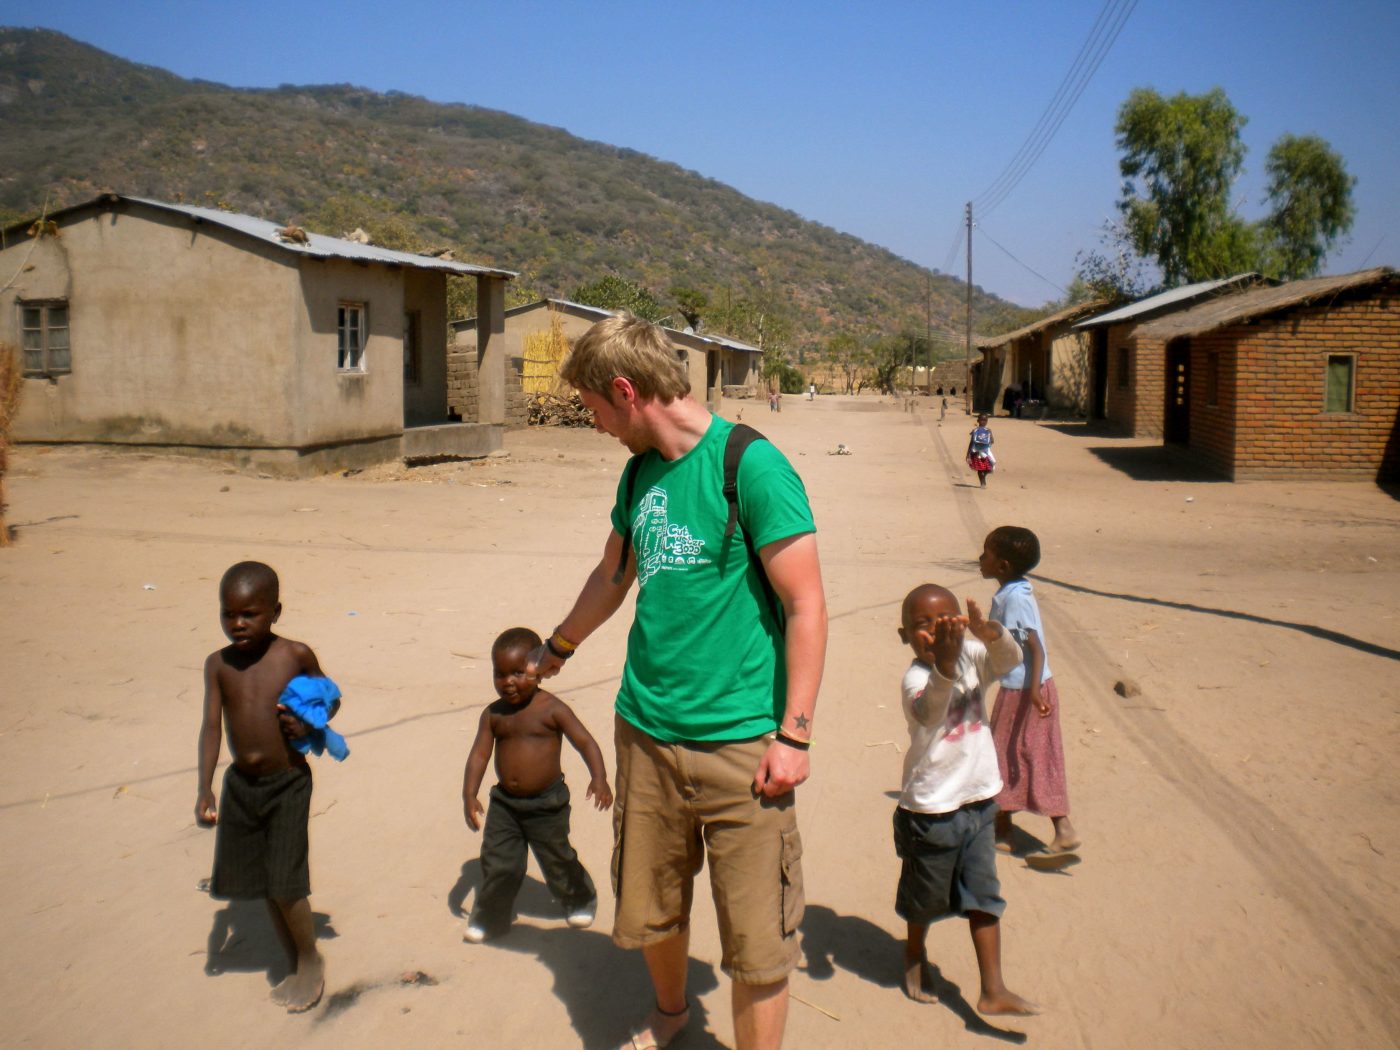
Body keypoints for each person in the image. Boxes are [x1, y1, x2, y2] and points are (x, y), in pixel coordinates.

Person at [528, 313, 827, 1050]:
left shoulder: (751, 466)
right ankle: (670, 1016)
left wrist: (794, 735)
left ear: (626, 391)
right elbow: (612, 573)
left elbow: (807, 603)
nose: (597, 427)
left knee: (758, 939)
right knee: (651, 902)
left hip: (742, 748)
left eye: (596, 411)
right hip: (647, 734)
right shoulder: (639, 474)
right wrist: (558, 645)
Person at [195, 561, 338, 1013]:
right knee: (262, 881)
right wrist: (205, 789)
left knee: (286, 878)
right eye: (228, 613)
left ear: (275, 611)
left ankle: (311, 959)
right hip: (242, 785)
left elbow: (330, 695)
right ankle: (293, 959)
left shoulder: (293, 655)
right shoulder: (218, 665)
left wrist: (309, 720)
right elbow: (211, 728)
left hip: (288, 781)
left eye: (249, 614)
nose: (237, 623)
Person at [893, 584, 1036, 1015]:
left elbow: (1011, 662)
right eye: (922, 625)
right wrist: (946, 665)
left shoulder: (974, 653)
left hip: (978, 801)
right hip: (931, 810)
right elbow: (930, 712)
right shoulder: (915, 679)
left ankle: (992, 989)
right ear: (905, 635)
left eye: (946, 622)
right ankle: (914, 953)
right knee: (926, 896)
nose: (936, 631)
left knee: (984, 894)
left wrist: (990, 632)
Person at [461, 627, 612, 943]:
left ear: (539, 672)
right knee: (500, 863)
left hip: (547, 804)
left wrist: (599, 778)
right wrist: (469, 793)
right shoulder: (494, 714)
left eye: (518, 672)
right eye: (500, 674)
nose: (509, 682)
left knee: (557, 858)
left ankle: (580, 897)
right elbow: (479, 754)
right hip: (505, 805)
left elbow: (585, 742)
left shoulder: (551, 709)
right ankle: (492, 917)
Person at [978, 527, 1080, 863]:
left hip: (1026, 691)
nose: (981, 559)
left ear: (1003, 565)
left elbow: (1033, 646)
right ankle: (1006, 825)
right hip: (1019, 687)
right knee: (1012, 752)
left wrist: (1035, 691)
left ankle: (1031, 827)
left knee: (1016, 753)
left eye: (987, 554)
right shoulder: (1011, 592)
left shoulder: (1016, 600)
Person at [966, 414, 995, 487]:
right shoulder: (975, 431)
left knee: (990, 467)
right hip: (977, 452)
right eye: (982, 420)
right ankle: (982, 482)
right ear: (978, 420)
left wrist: (989, 439)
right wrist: (968, 454)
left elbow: (992, 440)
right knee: (980, 469)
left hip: (986, 451)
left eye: (985, 420)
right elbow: (971, 442)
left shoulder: (988, 431)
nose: (983, 422)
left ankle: (984, 476)